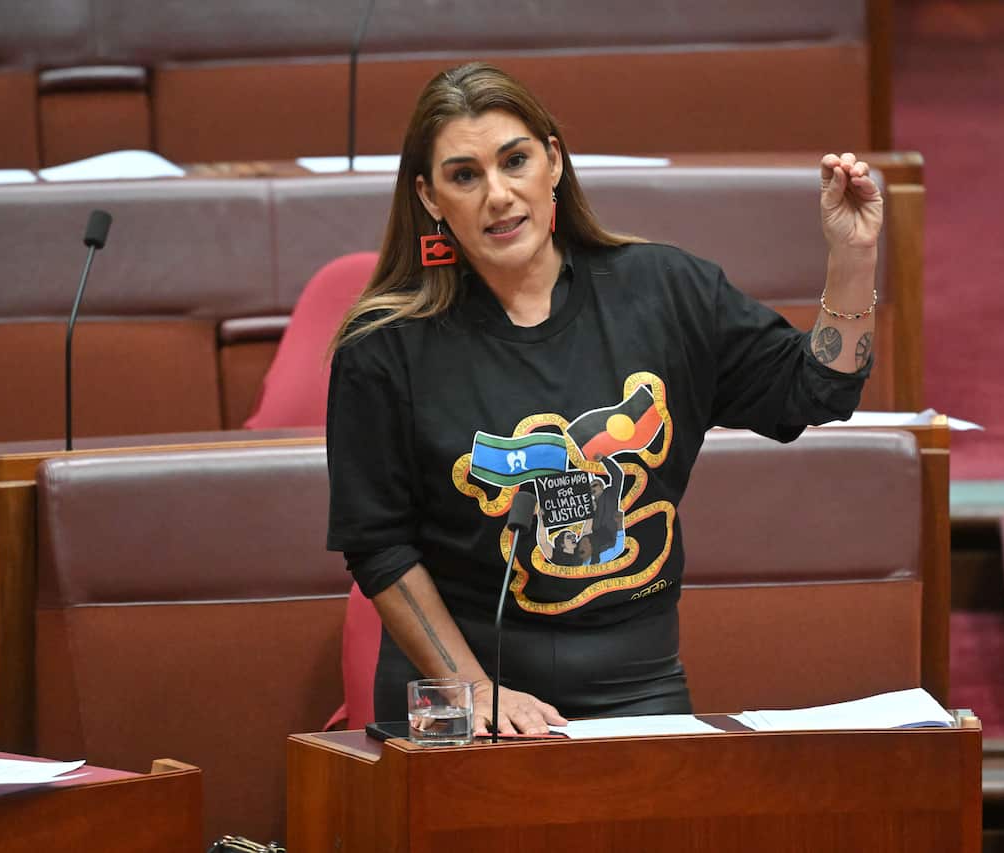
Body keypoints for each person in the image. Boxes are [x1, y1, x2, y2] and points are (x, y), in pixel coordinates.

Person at [325, 62, 881, 736]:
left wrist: (851, 260)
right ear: (431, 196)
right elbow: (379, 544)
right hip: (462, 691)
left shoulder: (663, 292)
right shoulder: (384, 347)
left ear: (553, 161)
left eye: (516, 160)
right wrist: (473, 689)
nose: (498, 194)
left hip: (633, 684)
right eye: (465, 175)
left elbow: (817, 388)